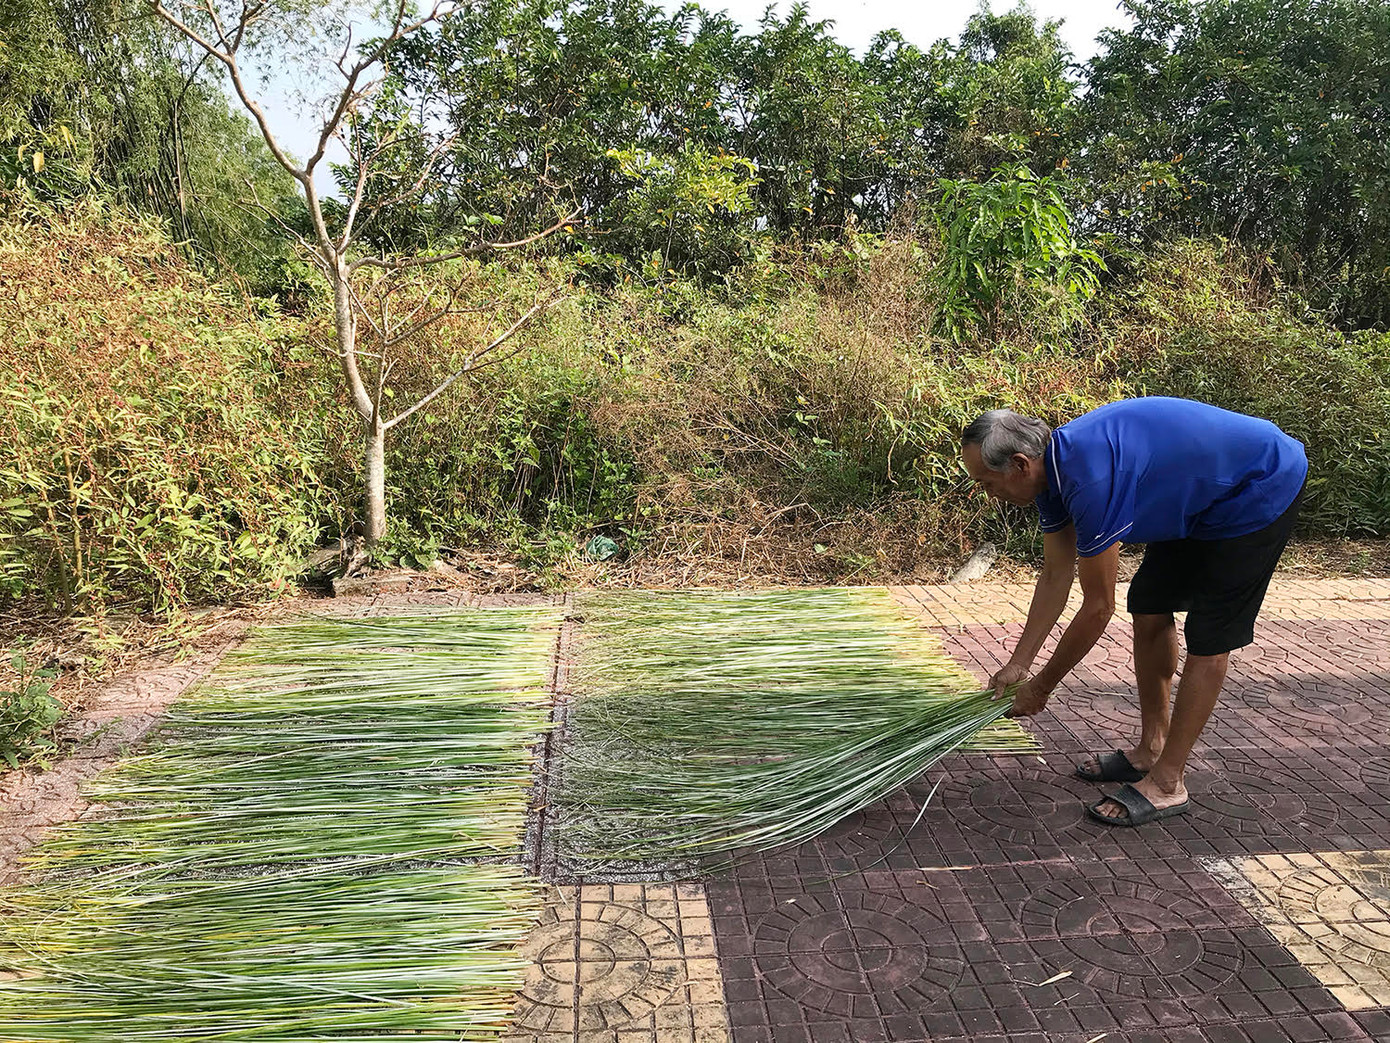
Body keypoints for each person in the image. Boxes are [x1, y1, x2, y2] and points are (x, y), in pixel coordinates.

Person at [959, 397, 1308, 827]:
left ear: (1019, 465)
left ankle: (1167, 782)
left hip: (1258, 484)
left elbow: (1097, 608)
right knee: (1148, 605)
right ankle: (1152, 747)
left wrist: (1043, 687)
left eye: (987, 482)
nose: (988, 494)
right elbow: (1055, 576)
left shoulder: (1090, 478)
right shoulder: (1050, 477)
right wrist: (1019, 664)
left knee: (1210, 636)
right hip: (1199, 497)